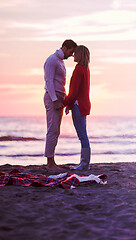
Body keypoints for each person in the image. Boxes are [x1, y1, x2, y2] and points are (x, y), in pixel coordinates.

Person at [43, 39, 77, 170]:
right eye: (71, 51)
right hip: (53, 98)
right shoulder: (52, 60)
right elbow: (49, 81)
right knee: (52, 130)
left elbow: (60, 82)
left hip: (60, 97)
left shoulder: (60, 61)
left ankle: (52, 161)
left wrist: (65, 99)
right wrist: (55, 100)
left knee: (56, 130)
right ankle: (49, 163)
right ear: (64, 48)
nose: (72, 55)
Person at [63, 45, 91, 170]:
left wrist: (66, 104)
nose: (73, 55)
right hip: (82, 105)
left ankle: (84, 164)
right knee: (83, 135)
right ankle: (85, 163)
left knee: (82, 135)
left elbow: (74, 91)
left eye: (75, 53)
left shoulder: (79, 69)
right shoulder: (85, 69)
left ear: (79, 55)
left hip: (78, 105)